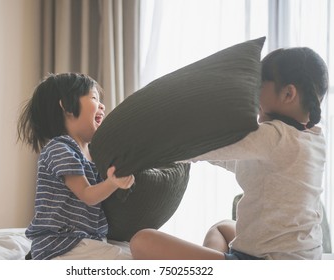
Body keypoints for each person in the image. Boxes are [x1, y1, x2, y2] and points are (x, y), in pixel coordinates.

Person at [129, 47, 329, 260]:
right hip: (303, 258)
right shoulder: (313, 139)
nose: (253, 93)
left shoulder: (275, 135)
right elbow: (241, 159)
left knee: (142, 241)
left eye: (259, 85)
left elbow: (201, 144)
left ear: (288, 94)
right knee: (223, 227)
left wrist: (143, 152)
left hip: (269, 262)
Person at [17, 72, 135, 260]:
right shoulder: (60, 148)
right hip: (61, 243)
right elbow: (87, 194)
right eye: (94, 98)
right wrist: (113, 183)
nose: (102, 105)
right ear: (67, 107)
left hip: (82, 240)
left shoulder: (93, 153)